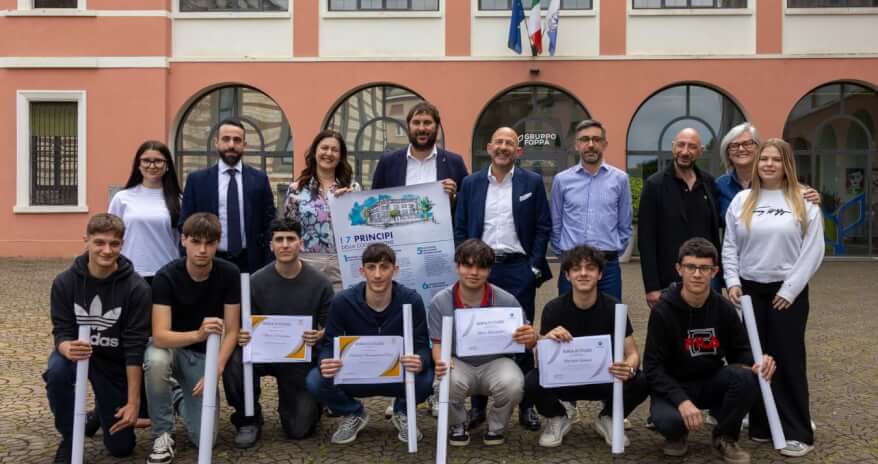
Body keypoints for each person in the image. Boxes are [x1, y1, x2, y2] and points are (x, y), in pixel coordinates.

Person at [722, 138, 824, 457]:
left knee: (788, 360)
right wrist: (732, 281)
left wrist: (790, 290)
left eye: (776, 159)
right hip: (749, 291)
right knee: (755, 359)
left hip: (786, 294)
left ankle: (797, 432)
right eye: (764, 158)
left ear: (787, 165)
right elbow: (729, 245)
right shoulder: (742, 200)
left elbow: (813, 249)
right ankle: (763, 425)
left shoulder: (804, 201)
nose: (768, 164)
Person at [453, 127, 551, 431]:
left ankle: (527, 405)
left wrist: (534, 268)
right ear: (489, 147)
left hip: (519, 269)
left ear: (518, 151)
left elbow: (543, 226)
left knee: (521, 335)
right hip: (480, 268)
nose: (504, 147)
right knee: (478, 336)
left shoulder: (531, 182)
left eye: (510, 143)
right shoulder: (471, 183)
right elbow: (460, 227)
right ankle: (478, 407)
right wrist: (466, 263)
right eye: (499, 142)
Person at [644, 238, 775, 463]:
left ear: (714, 272)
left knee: (747, 378)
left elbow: (739, 352)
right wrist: (681, 401)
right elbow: (652, 367)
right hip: (675, 385)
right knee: (669, 421)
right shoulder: (663, 311)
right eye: (690, 267)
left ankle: (725, 437)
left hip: (711, 380)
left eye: (704, 268)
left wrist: (758, 361)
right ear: (679, 269)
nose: (697, 274)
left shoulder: (724, 308)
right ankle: (677, 434)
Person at [44, 214, 151, 463]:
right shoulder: (65, 282)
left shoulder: (137, 288)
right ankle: (70, 437)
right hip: (76, 356)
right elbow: (61, 330)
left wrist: (133, 402)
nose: (106, 250)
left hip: (114, 363)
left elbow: (135, 348)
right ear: (86, 240)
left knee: (121, 448)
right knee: (57, 373)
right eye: (99, 242)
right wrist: (66, 347)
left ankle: (101, 413)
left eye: (114, 244)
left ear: (122, 244)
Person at [305, 243, 433, 445]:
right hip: (356, 375)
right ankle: (353, 412)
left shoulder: (411, 300)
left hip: (396, 374)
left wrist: (420, 361)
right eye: (371, 267)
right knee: (316, 379)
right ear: (361, 271)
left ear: (395, 270)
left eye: (384, 267)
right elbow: (329, 343)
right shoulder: (343, 301)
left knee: (427, 377)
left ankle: (402, 411)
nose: (378, 275)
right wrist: (326, 361)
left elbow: (422, 345)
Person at [223, 217, 333, 448]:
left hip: (299, 357)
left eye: (290, 239)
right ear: (271, 245)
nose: (285, 245)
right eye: (279, 240)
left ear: (300, 243)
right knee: (234, 359)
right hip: (262, 354)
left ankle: (313, 405)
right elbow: (242, 324)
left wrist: (320, 335)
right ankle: (248, 418)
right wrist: (242, 334)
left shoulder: (321, 283)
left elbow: (330, 327)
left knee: (299, 430)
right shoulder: (255, 282)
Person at [525, 245, 648, 448]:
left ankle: (609, 417)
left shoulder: (614, 307)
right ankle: (557, 417)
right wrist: (545, 340)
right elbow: (541, 365)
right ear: (567, 275)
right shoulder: (553, 309)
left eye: (590, 268)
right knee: (531, 380)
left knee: (641, 380)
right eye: (576, 269)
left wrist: (629, 366)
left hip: (604, 378)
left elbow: (633, 353)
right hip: (565, 381)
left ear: (600, 274)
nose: (583, 273)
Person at [144, 213, 241, 464]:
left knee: (205, 439)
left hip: (201, 355)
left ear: (217, 243)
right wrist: (198, 334)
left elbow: (232, 330)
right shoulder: (165, 276)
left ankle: (176, 395)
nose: (202, 250)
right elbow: (160, 336)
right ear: (183, 240)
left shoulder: (229, 273)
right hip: (170, 348)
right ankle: (162, 433)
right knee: (155, 360)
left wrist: (216, 369)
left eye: (209, 243)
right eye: (196, 242)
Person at [428, 239, 537, 447]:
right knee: (444, 381)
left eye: (481, 267)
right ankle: (457, 424)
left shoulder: (507, 300)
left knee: (514, 383)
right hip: (458, 361)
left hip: (496, 362)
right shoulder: (440, 301)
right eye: (468, 265)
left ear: (489, 270)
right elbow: (437, 342)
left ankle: (496, 426)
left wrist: (531, 337)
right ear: (457, 267)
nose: (474, 272)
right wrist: (441, 361)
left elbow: (529, 342)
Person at [638, 128, 722, 309]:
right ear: (673, 147)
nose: (685, 151)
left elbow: (714, 231)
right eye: (681, 145)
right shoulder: (654, 185)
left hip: (705, 277)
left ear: (700, 151)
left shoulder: (708, 183)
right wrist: (652, 287)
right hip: (669, 279)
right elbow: (646, 240)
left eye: (692, 147)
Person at [179, 118, 276, 273]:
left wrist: (269, 260)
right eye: (226, 139)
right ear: (216, 143)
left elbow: (269, 223)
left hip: (251, 263)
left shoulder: (259, 179)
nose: (231, 145)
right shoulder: (197, 181)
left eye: (237, 140)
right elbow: (185, 225)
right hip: (210, 261)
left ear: (244, 145)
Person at [551, 119, 632, 301]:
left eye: (596, 139)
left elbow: (625, 224)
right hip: (572, 263)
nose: (590, 145)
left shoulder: (620, 179)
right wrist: (564, 255)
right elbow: (556, 223)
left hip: (608, 266)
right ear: (577, 144)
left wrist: (613, 251)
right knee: (568, 315)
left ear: (604, 144)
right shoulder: (562, 180)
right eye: (585, 139)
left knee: (611, 315)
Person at [282, 130, 361, 291]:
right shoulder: (296, 189)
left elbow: (359, 229)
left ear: (341, 156)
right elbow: (290, 231)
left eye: (334, 150)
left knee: (340, 305)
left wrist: (349, 202)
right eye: (324, 148)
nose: (329, 153)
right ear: (315, 152)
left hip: (342, 264)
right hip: (307, 263)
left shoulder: (352, 188)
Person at [109, 140, 182, 284]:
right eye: (146, 161)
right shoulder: (121, 198)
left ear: (167, 165)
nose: (152, 166)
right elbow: (111, 235)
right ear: (138, 164)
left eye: (158, 161)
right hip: (130, 272)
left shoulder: (179, 200)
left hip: (167, 273)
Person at [716, 123, 820, 219]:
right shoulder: (720, 185)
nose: (741, 149)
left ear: (759, 148)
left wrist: (810, 198)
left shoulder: (774, 181)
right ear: (727, 152)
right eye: (734, 146)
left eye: (747, 143)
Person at [371, 101, 468, 196]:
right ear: (408, 126)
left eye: (427, 123)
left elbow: (467, 201)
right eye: (416, 123)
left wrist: (454, 196)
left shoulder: (455, 163)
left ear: (437, 127)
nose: (421, 128)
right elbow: (374, 199)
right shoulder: (388, 163)